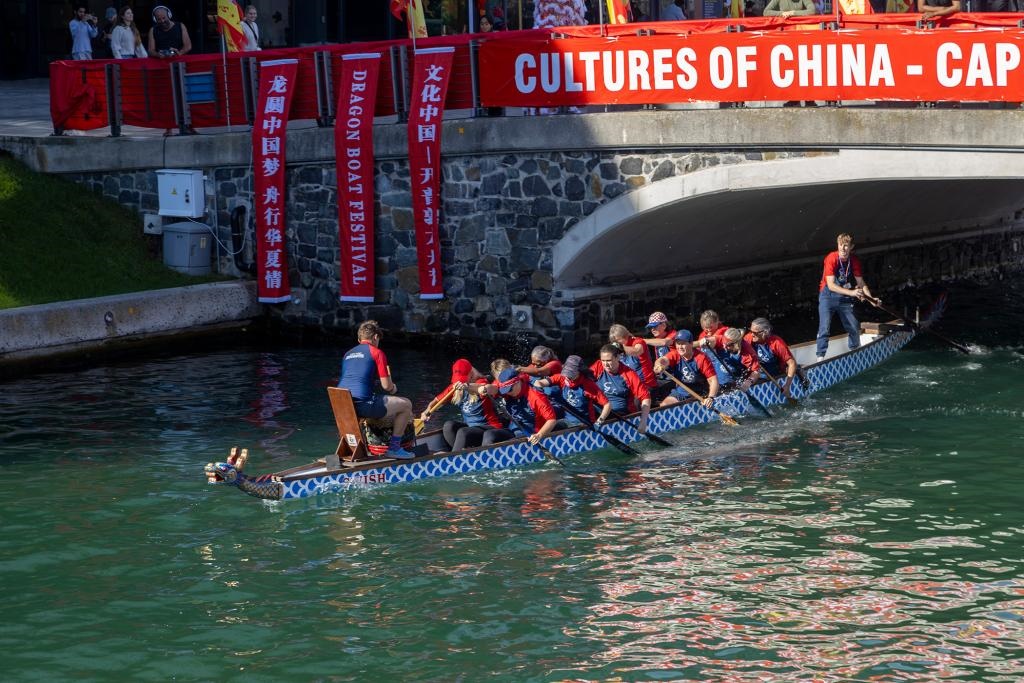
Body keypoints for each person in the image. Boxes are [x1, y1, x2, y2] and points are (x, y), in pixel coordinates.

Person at [336, 320, 415, 459]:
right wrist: (392, 388)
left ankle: (351, 450)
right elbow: (386, 386)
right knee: (406, 405)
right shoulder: (377, 353)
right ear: (376, 337)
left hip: (342, 405)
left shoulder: (347, 354)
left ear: (359, 339)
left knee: (374, 399)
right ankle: (394, 449)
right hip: (363, 405)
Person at [418, 359, 508, 452]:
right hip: (472, 430)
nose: (459, 383)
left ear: (471, 374)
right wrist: (426, 411)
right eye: (458, 379)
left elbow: (486, 388)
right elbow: (435, 402)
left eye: (462, 379)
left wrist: (467, 386)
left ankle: (454, 457)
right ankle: (458, 453)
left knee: (463, 432)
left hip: (490, 427)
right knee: (449, 426)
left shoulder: (481, 382)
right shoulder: (455, 387)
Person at [816, 233, 876, 360]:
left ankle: (855, 351)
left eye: (846, 246)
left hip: (844, 298)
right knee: (824, 327)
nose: (843, 249)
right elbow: (831, 285)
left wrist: (871, 299)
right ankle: (820, 357)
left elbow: (861, 283)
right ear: (838, 245)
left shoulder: (854, 261)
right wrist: (853, 293)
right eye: (840, 245)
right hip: (828, 296)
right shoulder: (831, 258)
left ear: (851, 247)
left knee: (854, 326)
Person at [536, 355, 613, 427]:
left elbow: (607, 405)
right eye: (566, 374)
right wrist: (539, 389)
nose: (567, 378)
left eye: (570, 375)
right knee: (545, 426)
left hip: (584, 424)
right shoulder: (562, 377)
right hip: (567, 420)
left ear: (579, 372)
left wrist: (599, 422)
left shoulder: (588, 385)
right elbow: (538, 383)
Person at [589, 344, 652, 432]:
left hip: (620, 415)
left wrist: (643, 421)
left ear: (618, 357)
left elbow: (645, 397)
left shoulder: (629, 374)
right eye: (603, 360)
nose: (605, 364)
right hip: (599, 411)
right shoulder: (599, 366)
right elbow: (585, 380)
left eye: (609, 360)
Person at [652, 330, 720, 408]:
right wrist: (659, 365)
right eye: (678, 344)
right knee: (664, 406)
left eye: (683, 344)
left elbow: (713, 380)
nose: (680, 347)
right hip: (681, 392)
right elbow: (663, 360)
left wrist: (710, 397)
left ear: (691, 344)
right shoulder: (675, 355)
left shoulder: (701, 358)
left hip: (700, 394)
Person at [495, 367, 559, 446]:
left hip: (532, 434)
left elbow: (552, 420)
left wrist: (539, 435)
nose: (508, 393)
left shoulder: (536, 397)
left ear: (518, 382)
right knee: (490, 434)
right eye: (505, 391)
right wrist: (483, 388)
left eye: (510, 390)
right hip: (515, 429)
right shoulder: (507, 388)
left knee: (508, 442)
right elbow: (492, 388)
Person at [744, 317, 798, 397]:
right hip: (757, 374)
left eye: (755, 332)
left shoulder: (776, 343)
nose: (752, 334)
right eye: (750, 331)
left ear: (764, 332)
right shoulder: (748, 338)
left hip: (776, 373)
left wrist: (787, 386)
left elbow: (792, 363)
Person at [608, 323, 658, 388]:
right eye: (614, 341)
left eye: (618, 340)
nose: (617, 343)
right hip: (629, 386)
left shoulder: (638, 341)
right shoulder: (619, 347)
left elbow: (637, 351)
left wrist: (620, 347)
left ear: (625, 336)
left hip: (646, 385)